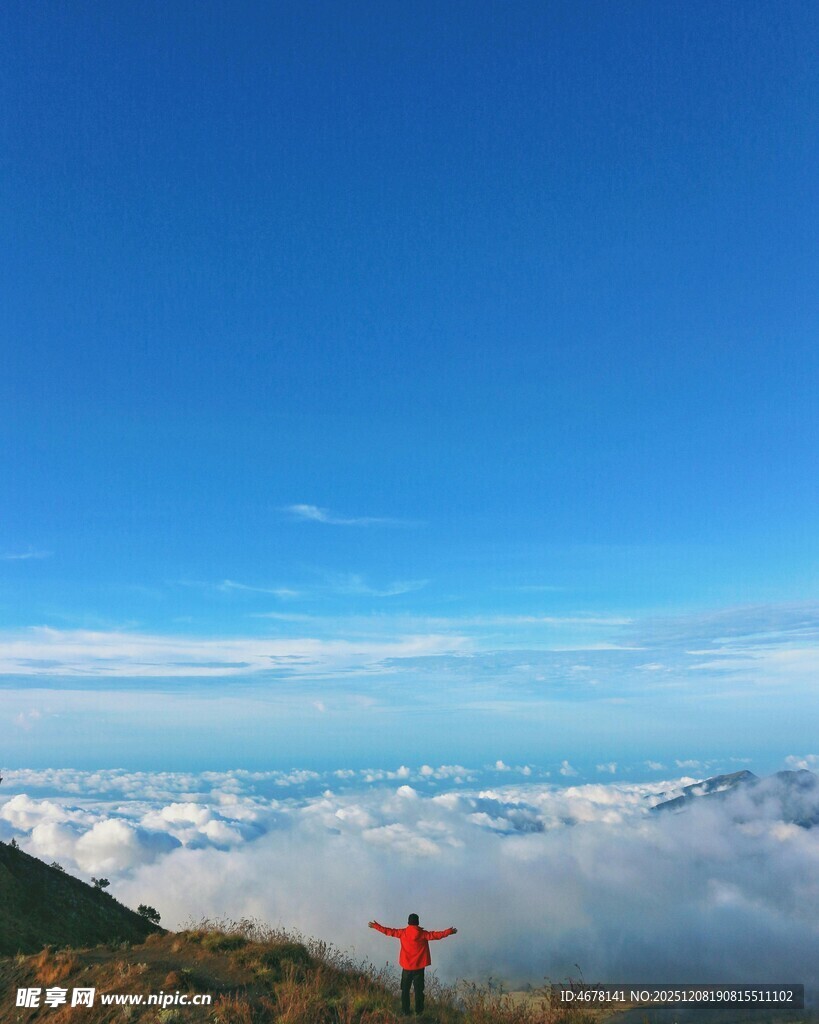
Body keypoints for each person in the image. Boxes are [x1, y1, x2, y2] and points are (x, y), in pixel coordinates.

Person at [369, 913, 457, 1016]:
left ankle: (405, 1011)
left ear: (408, 922)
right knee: (419, 991)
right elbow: (437, 935)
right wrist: (449, 932)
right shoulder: (423, 934)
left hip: (406, 968)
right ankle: (419, 1012)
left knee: (405, 991)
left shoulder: (402, 933)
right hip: (419, 968)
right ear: (418, 922)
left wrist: (376, 926)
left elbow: (388, 931)